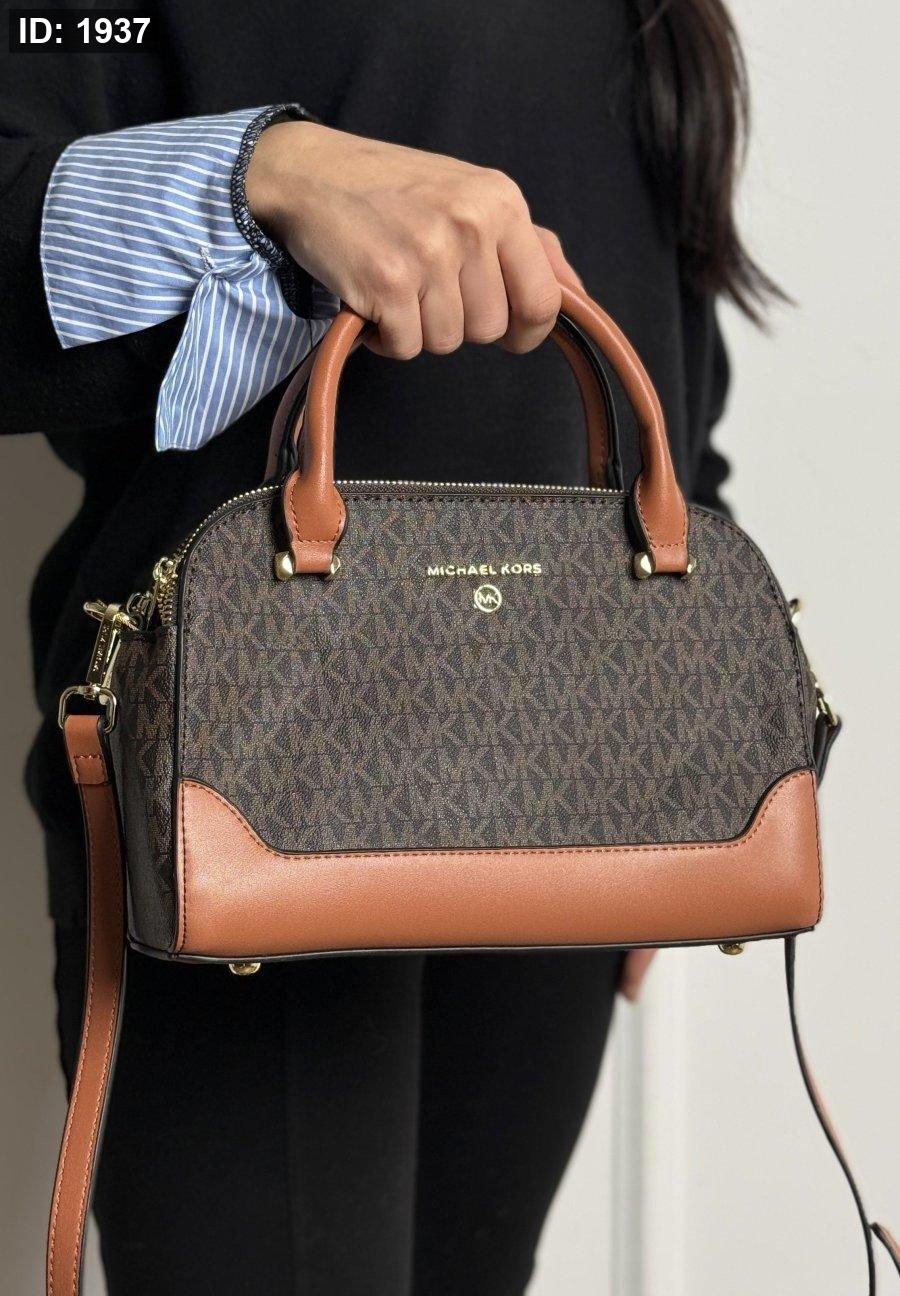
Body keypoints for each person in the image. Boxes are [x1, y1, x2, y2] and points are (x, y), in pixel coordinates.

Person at [0, 3, 779, 1292]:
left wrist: (695, 748)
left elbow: (667, 355)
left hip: (574, 783)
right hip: (246, 778)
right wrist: (267, 171)